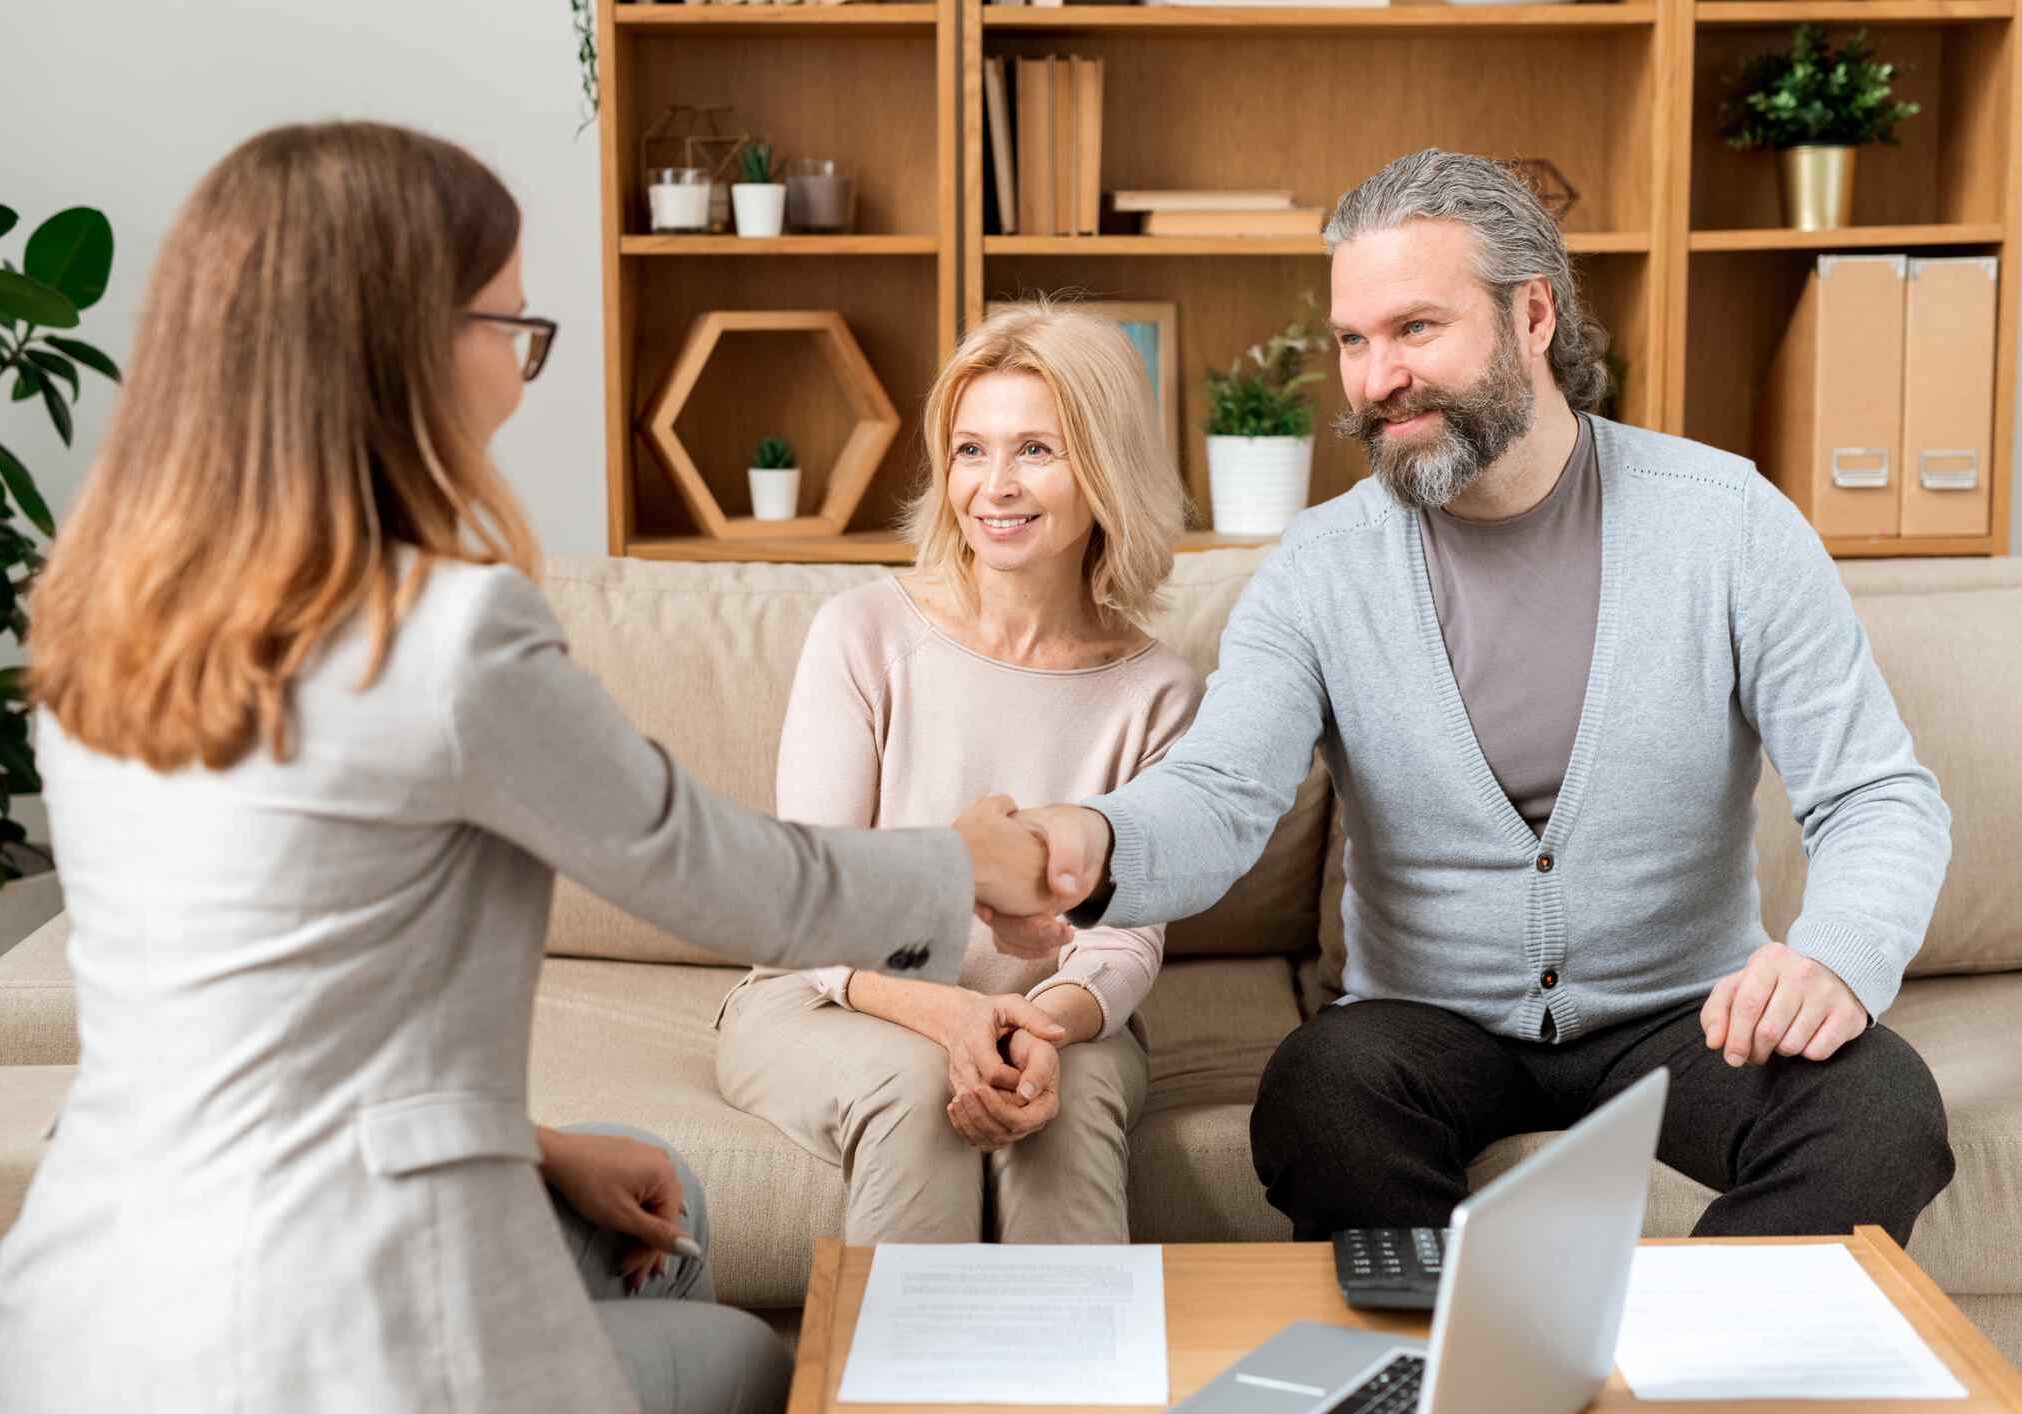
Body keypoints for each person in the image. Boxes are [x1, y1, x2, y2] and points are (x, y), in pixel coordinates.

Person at [0, 122, 1069, 1414]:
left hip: (89, 1302)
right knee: (745, 1360)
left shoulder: (102, 622)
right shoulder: (442, 634)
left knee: (656, 1215)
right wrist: (964, 861)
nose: (518, 376)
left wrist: (539, 1146)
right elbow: (721, 873)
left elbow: (263, 1014)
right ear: (399, 344)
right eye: (507, 328)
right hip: (344, 1309)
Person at [997, 148, 1956, 1247]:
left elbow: (1879, 794)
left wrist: (1833, 952)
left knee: (1882, 1110)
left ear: (1532, 315)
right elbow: (1218, 795)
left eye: (1415, 329)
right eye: (1354, 341)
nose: (1374, 379)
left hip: (1685, 1018)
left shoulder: (1727, 522)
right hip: (1423, 1029)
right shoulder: (1319, 568)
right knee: (1321, 1096)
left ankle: (1684, 1366)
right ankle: (1452, 1371)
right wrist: (1089, 840)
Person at [716, 303, 1198, 1244]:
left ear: (1105, 469)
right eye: (971, 451)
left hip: (1062, 1011)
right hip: (827, 993)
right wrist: (953, 1019)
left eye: (1035, 451)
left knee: (1061, 1107)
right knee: (919, 1085)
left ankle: (1082, 1390)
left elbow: (1122, 946)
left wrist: (1036, 1028)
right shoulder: (863, 633)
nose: (993, 487)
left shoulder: (1161, 692)